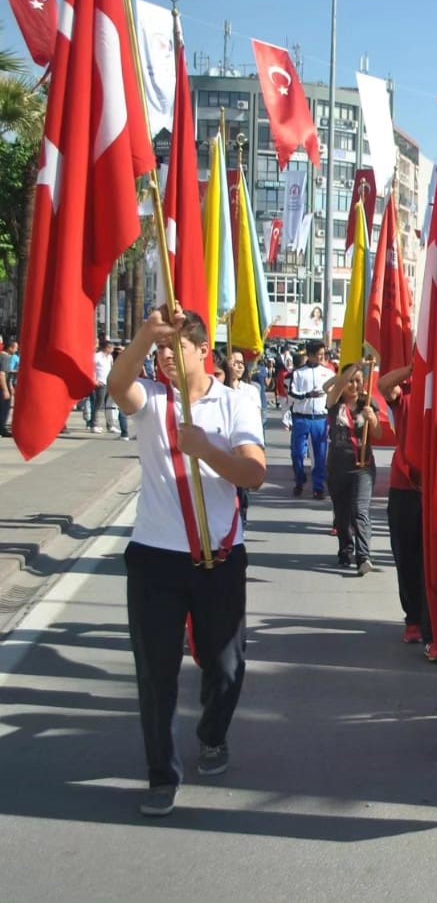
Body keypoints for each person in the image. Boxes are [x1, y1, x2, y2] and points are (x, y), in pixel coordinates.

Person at [107, 308, 266, 818]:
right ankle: (161, 774)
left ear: (204, 352)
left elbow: (253, 474)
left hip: (219, 558)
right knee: (155, 672)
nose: (165, 359)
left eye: (175, 349)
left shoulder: (236, 402)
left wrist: (205, 450)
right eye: (160, 352)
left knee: (225, 665)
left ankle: (212, 733)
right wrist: (143, 336)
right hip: (156, 557)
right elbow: (116, 385)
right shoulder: (151, 401)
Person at [379, 363, 431, 648]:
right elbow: (384, 385)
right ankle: (413, 619)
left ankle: (433, 619)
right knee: (407, 556)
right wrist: (415, 367)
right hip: (405, 487)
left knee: (434, 558)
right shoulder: (406, 393)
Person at [324, 361, 379, 574]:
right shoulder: (335, 403)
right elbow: (334, 387)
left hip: (363, 466)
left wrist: (372, 420)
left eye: (358, 381)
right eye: (350, 381)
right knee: (342, 513)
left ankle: (364, 556)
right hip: (338, 466)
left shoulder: (368, 404)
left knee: (360, 510)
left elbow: (380, 434)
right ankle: (346, 549)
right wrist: (354, 366)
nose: (354, 385)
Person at [287, 340, 334, 499]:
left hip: (320, 418)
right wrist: (307, 395)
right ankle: (299, 480)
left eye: (324, 354)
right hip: (302, 417)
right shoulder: (299, 373)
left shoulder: (328, 373)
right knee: (298, 453)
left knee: (321, 454)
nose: (322, 357)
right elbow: (291, 394)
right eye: (319, 354)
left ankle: (318, 486)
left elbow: (333, 394)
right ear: (311, 355)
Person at [222, 352, 264, 526]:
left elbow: (257, 417)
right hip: (223, 443)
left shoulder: (251, 390)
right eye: (234, 362)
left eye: (241, 363)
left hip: (243, 443)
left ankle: (242, 519)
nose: (239, 366)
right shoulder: (220, 389)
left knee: (242, 487)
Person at [91, 340, 115, 433]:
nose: (112, 349)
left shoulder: (109, 357)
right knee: (98, 404)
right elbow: (91, 368)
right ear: (106, 348)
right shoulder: (97, 356)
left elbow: (111, 368)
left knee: (108, 405)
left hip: (108, 382)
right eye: (111, 347)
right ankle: (94, 424)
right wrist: (95, 380)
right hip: (100, 382)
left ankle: (110, 425)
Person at [0, 337, 16, 437]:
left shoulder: (2, 356)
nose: (16, 350)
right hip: (2, 388)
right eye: (15, 348)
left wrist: (10, 386)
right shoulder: (5, 358)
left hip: (4, 386)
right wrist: (6, 390)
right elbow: (2, 374)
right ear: (10, 348)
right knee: (4, 409)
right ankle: (2, 429)